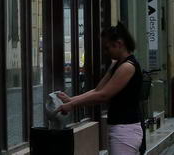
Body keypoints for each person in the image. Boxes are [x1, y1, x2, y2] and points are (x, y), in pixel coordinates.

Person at [57, 22, 144, 154]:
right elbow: (98, 90)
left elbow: (104, 95)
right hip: (120, 129)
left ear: (119, 44)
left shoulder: (127, 67)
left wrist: (73, 105)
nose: (106, 52)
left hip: (126, 130)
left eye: (107, 47)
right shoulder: (117, 65)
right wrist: (71, 100)